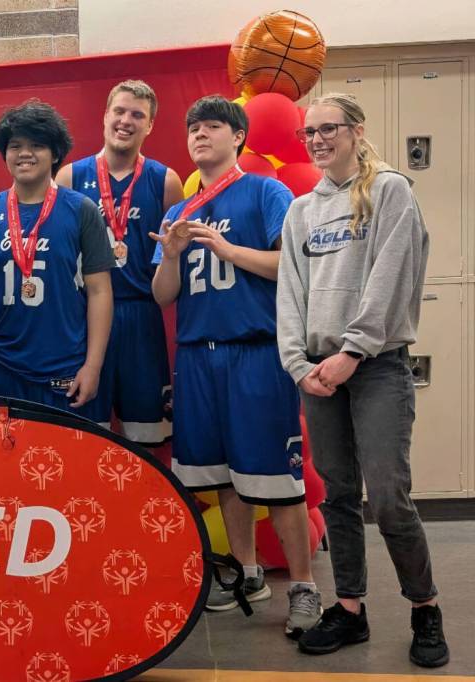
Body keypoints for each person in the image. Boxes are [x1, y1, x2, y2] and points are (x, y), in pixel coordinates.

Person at [278, 93, 449, 666]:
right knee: (342, 496)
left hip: (375, 367)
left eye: (329, 128)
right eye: (309, 132)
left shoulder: (388, 191)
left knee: (389, 496)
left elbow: (391, 278)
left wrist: (352, 351)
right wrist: (300, 366)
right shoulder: (301, 210)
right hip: (320, 375)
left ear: (355, 131)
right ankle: (350, 609)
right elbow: (291, 295)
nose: (318, 139)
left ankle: (424, 607)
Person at [150, 95, 320, 636]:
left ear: (238, 136)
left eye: (213, 127)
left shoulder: (265, 191)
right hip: (199, 356)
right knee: (223, 474)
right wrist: (172, 255)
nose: (200, 135)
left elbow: (289, 266)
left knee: (279, 479)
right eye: (193, 128)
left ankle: (304, 588)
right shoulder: (179, 211)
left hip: (255, 351)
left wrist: (227, 249)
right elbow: (162, 297)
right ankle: (248, 573)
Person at [0, 100, 113, 416]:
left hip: (63, 366)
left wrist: (93, 366)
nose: (24, 153)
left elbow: (99, 290)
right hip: (0, 365)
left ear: (55, 153)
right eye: (15, 146)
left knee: (63, 461)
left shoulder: (81, 209)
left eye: (36, 145)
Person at [56, 79, 183, 444]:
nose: (126, 121)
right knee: (84, 433)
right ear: (105, 116)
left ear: (150, 125)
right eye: (120, 111)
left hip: (140, 317)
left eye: (137, 115)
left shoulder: (165, 181)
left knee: (148, 436)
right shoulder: (69, 177)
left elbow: (169, 262)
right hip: (85, 318)